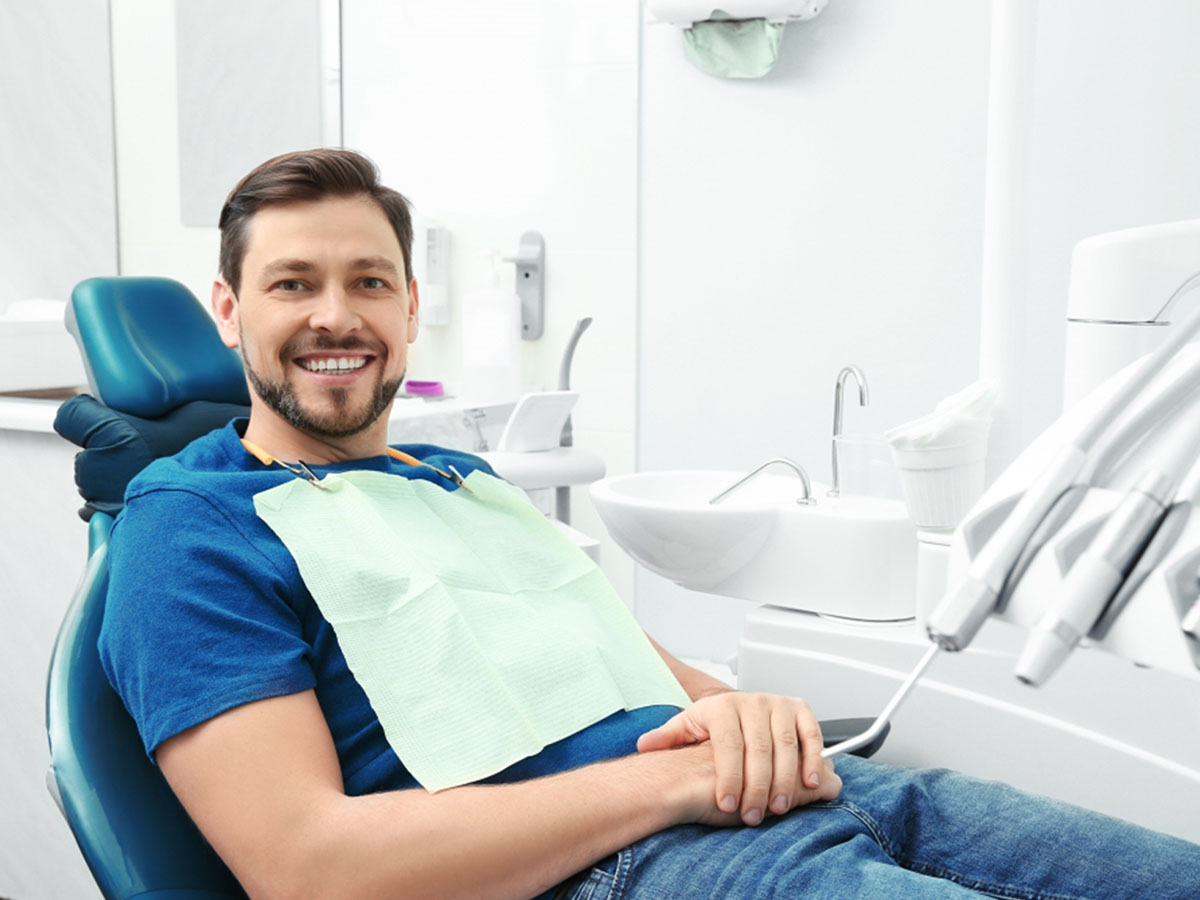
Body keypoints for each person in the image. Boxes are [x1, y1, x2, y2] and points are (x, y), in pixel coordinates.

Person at [99, 148, 1200, 900]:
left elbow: (653, 678)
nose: (335, 315)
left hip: (803, 797)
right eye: (293, 284)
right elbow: (310, 867)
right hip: (620, 869)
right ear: (232, 312)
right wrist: (673, 781)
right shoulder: (190, 534)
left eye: (368, 282)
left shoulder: (464, 480)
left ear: (409, 309)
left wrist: (753, 715)